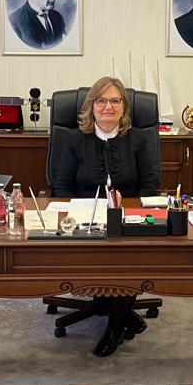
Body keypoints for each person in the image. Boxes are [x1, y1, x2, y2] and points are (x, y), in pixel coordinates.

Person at [53, 76, 160, 356]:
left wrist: (131, 211)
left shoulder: (137, 139)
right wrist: (78, 213)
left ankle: (115, 325)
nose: (108, 107)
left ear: (124, 107)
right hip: (85, 220)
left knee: (127, 259)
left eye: (115, 101)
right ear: (91, 106)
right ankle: (125, 316)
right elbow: (61, 187)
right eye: (101, 101)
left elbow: (149, 185)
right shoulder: (75, 140)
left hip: (126, 219)